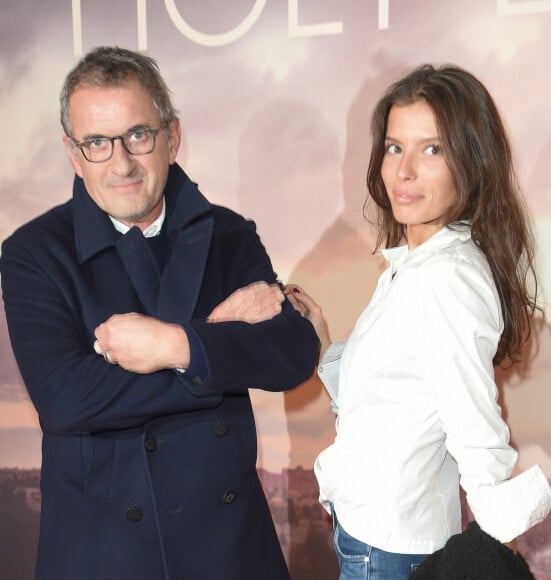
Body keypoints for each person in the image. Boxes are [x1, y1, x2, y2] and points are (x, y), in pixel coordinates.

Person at [0, 46, 319, 580]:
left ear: (171, 137)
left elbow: (292, 353)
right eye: (97, 143)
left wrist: (175, 346)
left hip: (229, 550)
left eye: (138, 136)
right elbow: (66, 400)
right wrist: (215, 340)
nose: (121, 163)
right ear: (73, 155)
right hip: (102, 554)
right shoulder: (32, 253)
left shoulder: (229, 233)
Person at [285, 64, 551, 579]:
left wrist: (496, 545)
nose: (403, 172)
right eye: (394, 147)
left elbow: (475, 427)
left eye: (432, 150)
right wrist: (329, 347)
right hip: (378, 536)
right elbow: (397, 405)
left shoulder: (445, 279)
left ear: (471, 162)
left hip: (390, 553)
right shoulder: (417, 265)